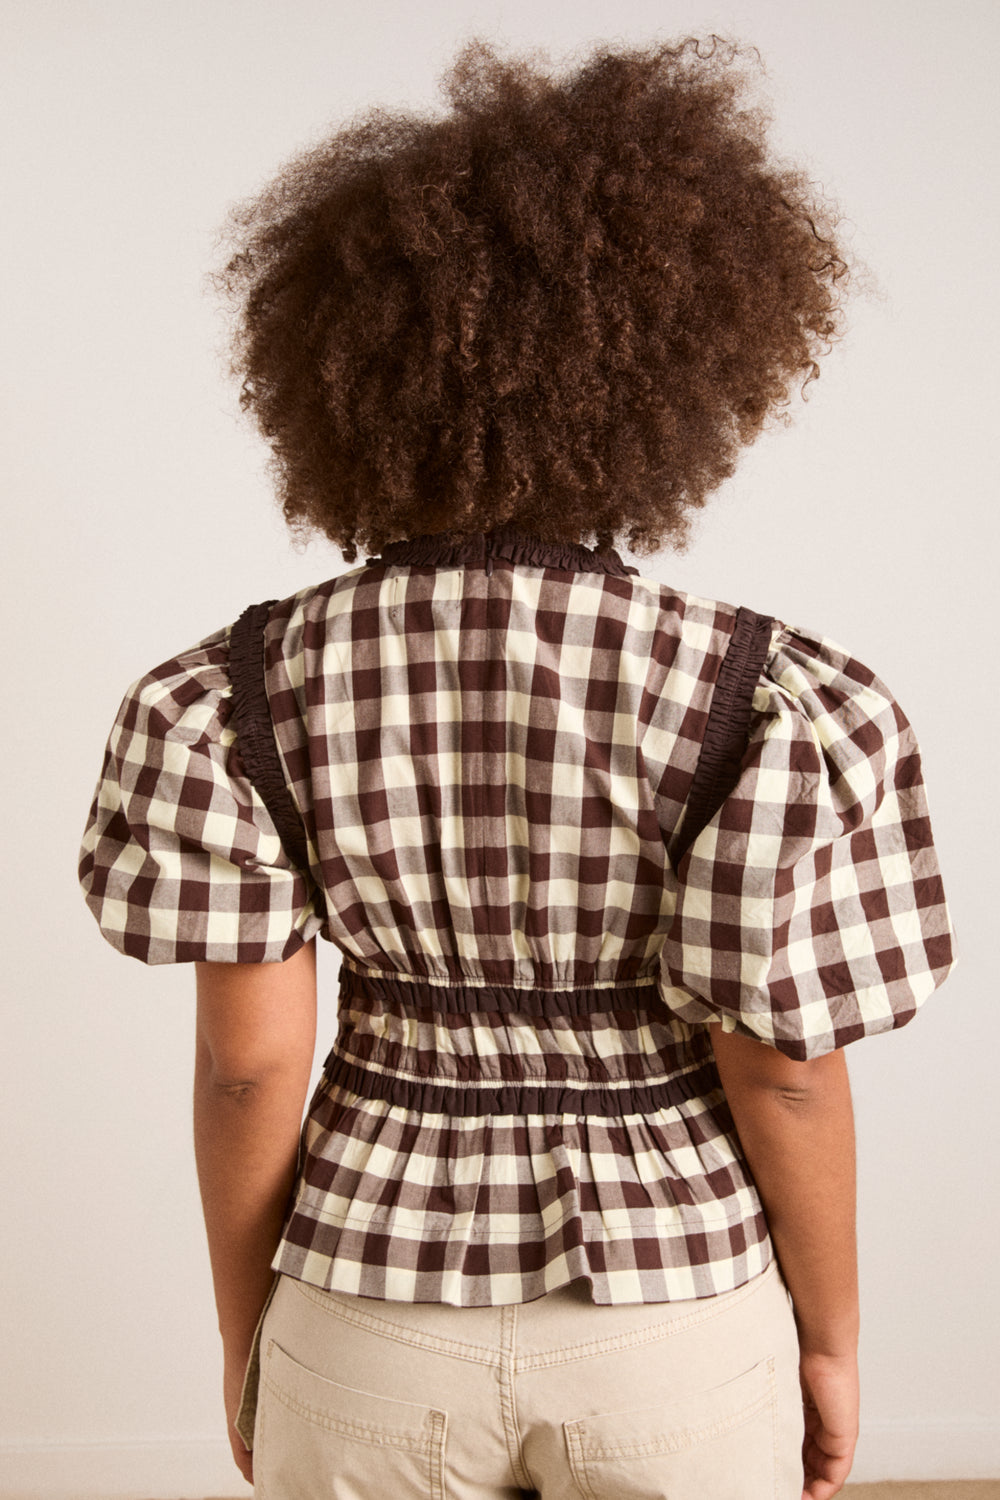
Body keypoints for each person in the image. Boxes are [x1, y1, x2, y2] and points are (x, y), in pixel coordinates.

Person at [78, 35, 958, 1500]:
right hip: (673, 1314)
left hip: (363, 1305)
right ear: (674, 375)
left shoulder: (231, 697)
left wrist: (250, 1333)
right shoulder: (763, 698)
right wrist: (832, 1339)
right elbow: (784, 1075)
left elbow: (247, 1070)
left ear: (339, 377)